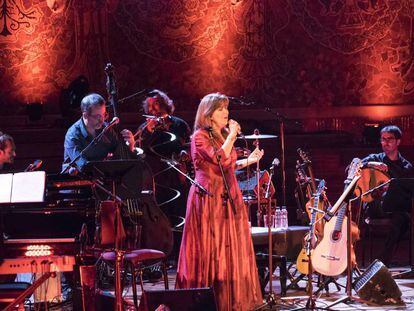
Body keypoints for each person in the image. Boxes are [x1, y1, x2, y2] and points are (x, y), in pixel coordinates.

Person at [176, 93, 263, 311]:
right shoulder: (199, 137)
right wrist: (233, 134)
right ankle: (208, 299)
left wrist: (248, 160)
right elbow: (218, 159)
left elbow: (226, 167)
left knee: (229, 247)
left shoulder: (221, 136)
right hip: (208, 198)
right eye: (221, 109)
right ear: (208, 114)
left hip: (228, 195)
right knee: (211, 248)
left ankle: (231, 298)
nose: (226, 113)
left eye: (226, 108)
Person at [361, 125, 413, 266]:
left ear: (398, 141)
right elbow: (353, 166)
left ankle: (382, 262)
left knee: (402, 219)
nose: (385, 142)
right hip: (375, 206)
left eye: (389, 139)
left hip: (396, 208)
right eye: (383, 139)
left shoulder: (406, 167)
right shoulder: (375, 158)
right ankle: (383, 263)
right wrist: (372, 164)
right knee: (401, 218)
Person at [62, 93, 135, 173]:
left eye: (104, 115)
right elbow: (83, 165)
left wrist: (130, 145)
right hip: (77, 180)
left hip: (100, 177)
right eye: (97, 116)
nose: (102, 120)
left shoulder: (107, 129)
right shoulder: (73, 135)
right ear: (85, 115)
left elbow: (121, 158)